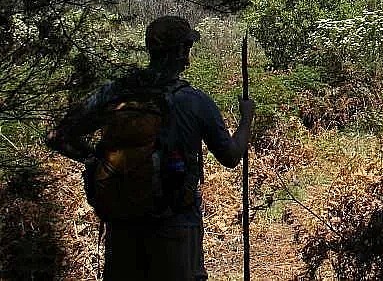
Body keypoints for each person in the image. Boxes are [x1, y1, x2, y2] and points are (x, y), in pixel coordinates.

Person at [47, 15, 255, 281]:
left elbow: (57, 135)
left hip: (122, 228)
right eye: (187, 47)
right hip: (176, 226)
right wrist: (247, 119)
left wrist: (98, 160)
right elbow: (230, 156)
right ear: (181, 51)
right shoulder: (194, 101)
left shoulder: (115, 93)